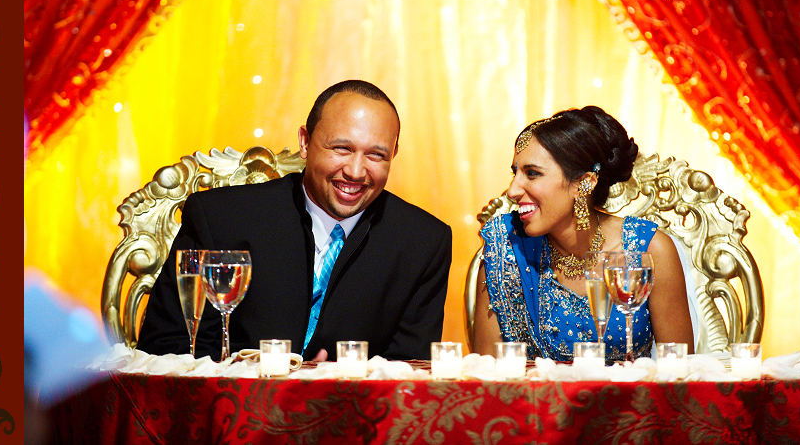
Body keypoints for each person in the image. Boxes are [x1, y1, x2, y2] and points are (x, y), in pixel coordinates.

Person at [137, 80, 452, 361]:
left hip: (351, 419)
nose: (356, 172)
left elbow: (411, 372)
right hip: (228, 414)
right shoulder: (220, 219)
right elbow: (169, 344)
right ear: (305, 142)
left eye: (376, 155)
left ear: (393, 155)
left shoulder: (423, 242)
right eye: (341, 149)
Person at [472, 106, 694, 362]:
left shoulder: (648, 251)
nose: (512, 190)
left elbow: (680, 375)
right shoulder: (506, 249)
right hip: (538, 401)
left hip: (632, 401)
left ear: (584, 183)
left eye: (532, 173)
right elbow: (485, 376)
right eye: (515, 173)